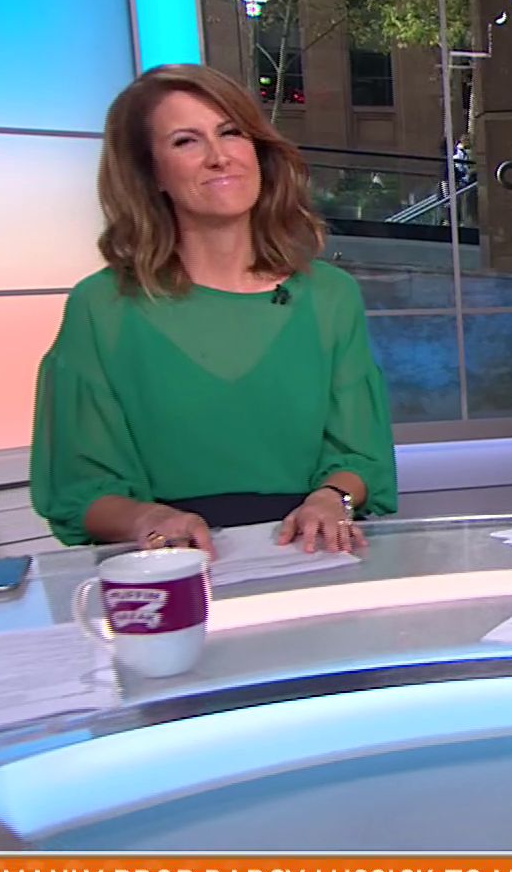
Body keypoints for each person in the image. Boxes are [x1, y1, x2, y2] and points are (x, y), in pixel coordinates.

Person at [30, 64, 399, 555]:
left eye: (231, 133)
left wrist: (332, 499)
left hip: (310, 554)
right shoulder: (103, 307)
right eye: (187, 141)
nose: (219, 157)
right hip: (171, 565)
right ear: (149, 173)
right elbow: (80, 489)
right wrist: (149, 519)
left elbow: (362, 457)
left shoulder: (331, 295)